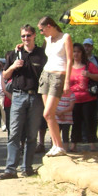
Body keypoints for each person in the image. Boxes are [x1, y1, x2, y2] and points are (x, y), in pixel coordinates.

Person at [0, 24, 47, 180]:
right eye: (23, 36)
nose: (26, 38)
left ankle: (27, 168)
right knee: (14, 134)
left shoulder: (42, 54)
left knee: (32, 135)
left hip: (36, 97)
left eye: (28, 35)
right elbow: (5, 76)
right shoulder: (15, 53)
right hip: (18, 96)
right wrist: (13, 66)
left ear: (34, 36)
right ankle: (10, 169)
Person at [37, 16, 70, 159]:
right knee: (49, 115)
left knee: (48, 113)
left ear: (49, 26)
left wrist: (67, 81)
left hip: (58, 75)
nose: (41, 33)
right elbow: (39, 53)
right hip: (46, 75)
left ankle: (60, 145)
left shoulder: (65, 37)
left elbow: (70, 60)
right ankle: (56, 146)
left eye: (42, 30)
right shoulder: (47, 40)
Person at [67, 42, 98, 153]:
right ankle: (73, 145)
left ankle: (92, 144)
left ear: (82, 53)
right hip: (73, 99)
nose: (76, 54)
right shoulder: (68, 66)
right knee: (75, 122)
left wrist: (89, 74)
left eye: (78, 52)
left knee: (89, 121)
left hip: (88, 99)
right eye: (74, 52)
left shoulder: (88, 65)